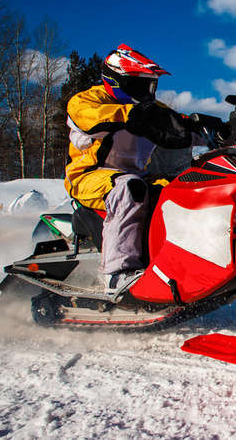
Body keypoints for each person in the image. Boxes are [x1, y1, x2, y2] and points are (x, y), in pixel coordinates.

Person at [64, 44, 205, 292]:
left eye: (152, 85)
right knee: (129, 188)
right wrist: (138, 116)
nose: (149, 91)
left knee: (182, 187)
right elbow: (91, 119)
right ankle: (117, 273)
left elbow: (179, 125)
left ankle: (179, 264)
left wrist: (220, 131)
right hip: (89, 177)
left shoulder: (152, 109)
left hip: (137, 176)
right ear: (117, 81)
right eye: (141, 84)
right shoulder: (87, 101)